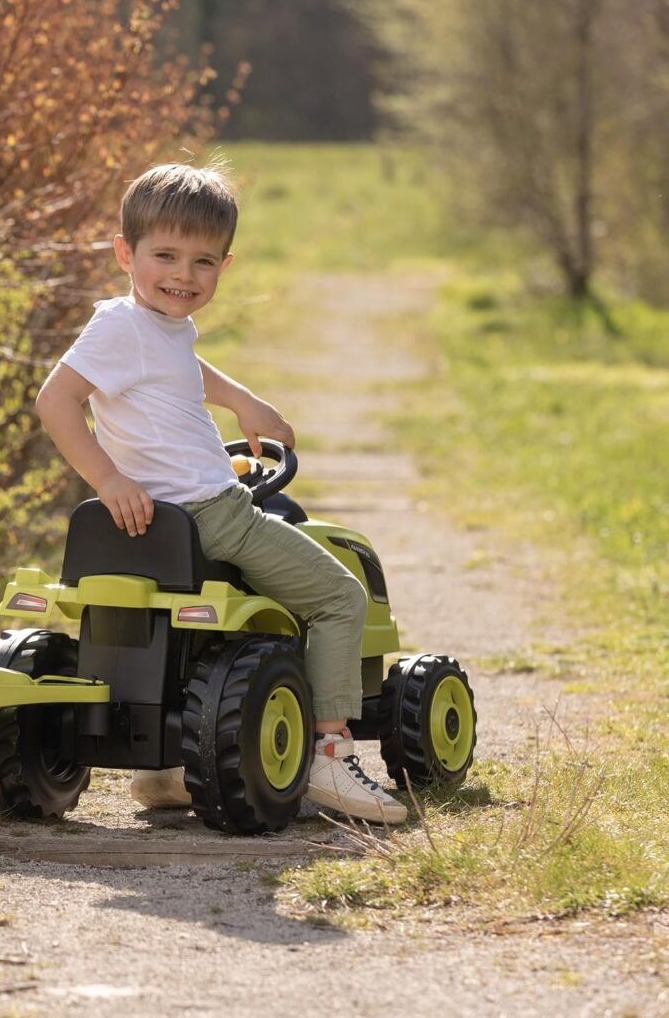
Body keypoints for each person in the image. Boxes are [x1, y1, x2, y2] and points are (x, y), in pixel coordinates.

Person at [34, 161, 406, 824]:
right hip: (213, 515)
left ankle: (175, 767)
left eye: (202, 262)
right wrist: (107, 478)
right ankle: (328, 752)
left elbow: (182, 365)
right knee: (339, 599)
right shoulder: (119, 328)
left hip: (170, 521)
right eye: (166, 256)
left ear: (224, 267)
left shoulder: (153, 326)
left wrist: (245, 403)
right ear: (126, 252)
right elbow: (56, 401)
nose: (183, 276)